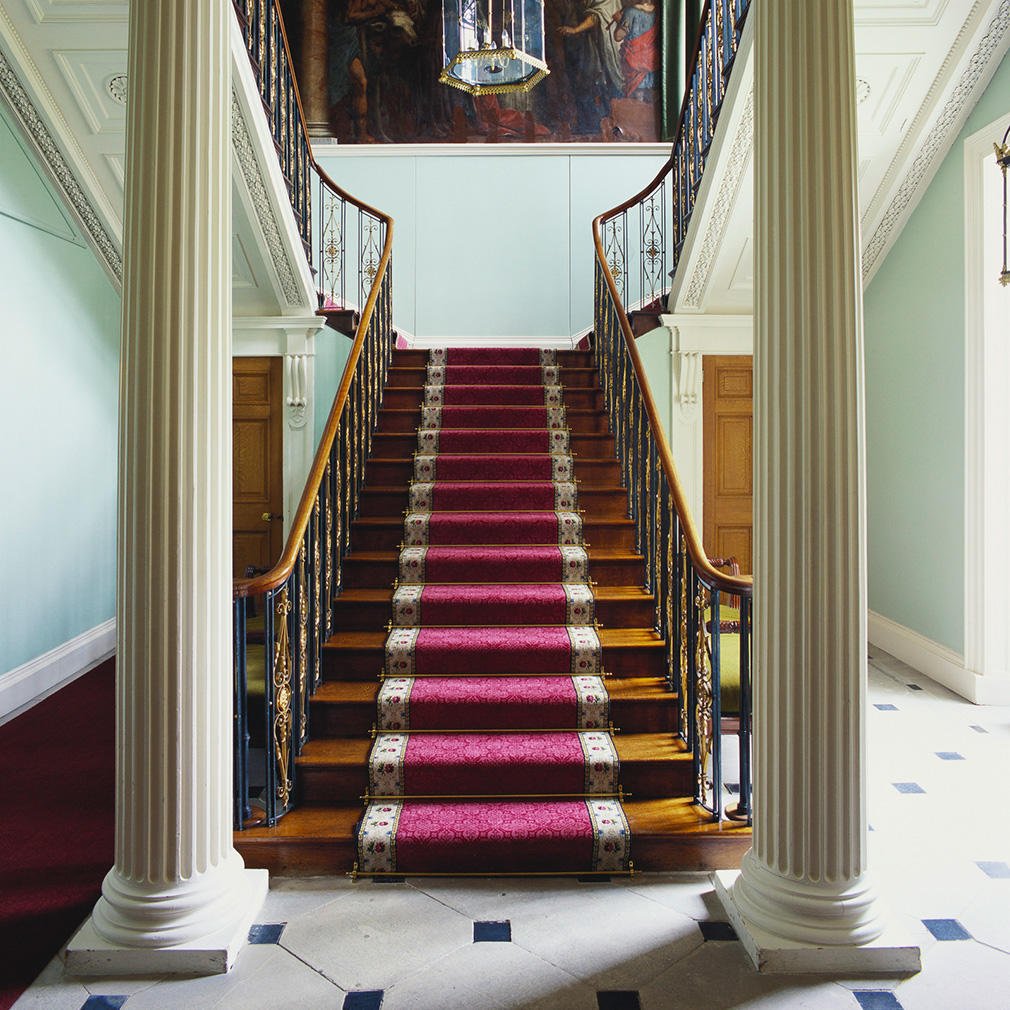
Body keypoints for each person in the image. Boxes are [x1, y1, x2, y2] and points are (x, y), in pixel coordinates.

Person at [613, 0, 658, 98]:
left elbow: (618, 36)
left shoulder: (630, 11)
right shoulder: (659, 12)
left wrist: (618, 20)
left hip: (633, 59)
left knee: (636, 99)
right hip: (651, 59)